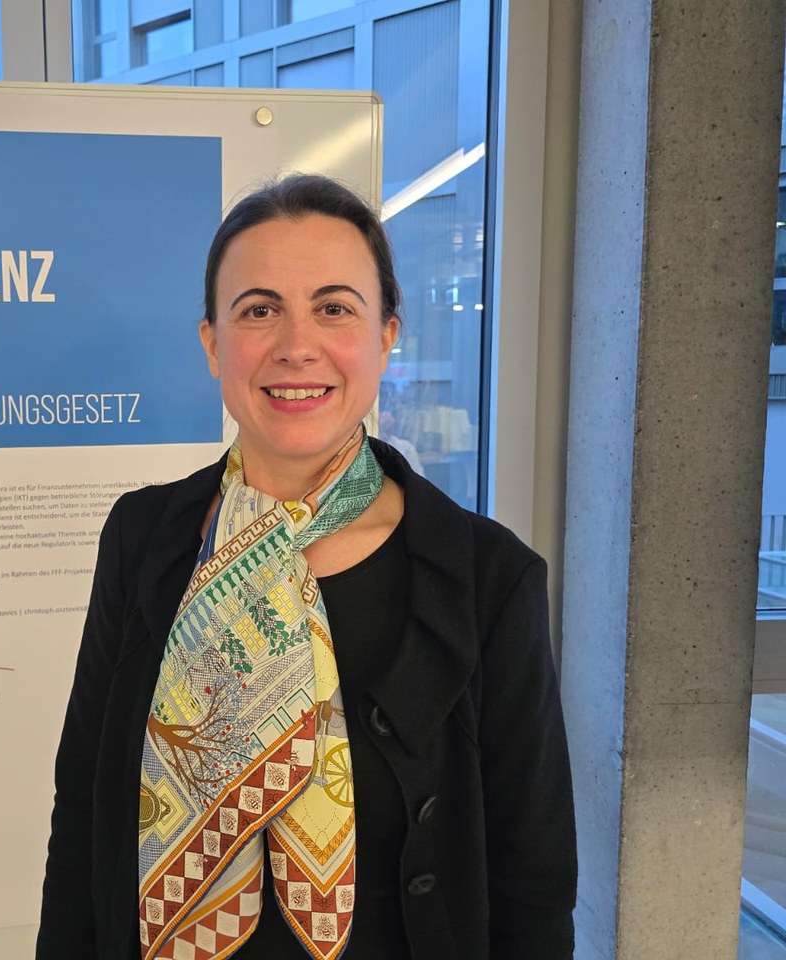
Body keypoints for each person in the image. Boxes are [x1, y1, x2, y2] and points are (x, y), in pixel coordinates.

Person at [36, 174, 575, 960]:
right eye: (259, 310)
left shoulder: (488, 579)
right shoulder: (143, 538)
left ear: (386, 335)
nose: (296, 345)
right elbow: (85, 809)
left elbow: (534, 881)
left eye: (334, 308)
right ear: (213, 343)